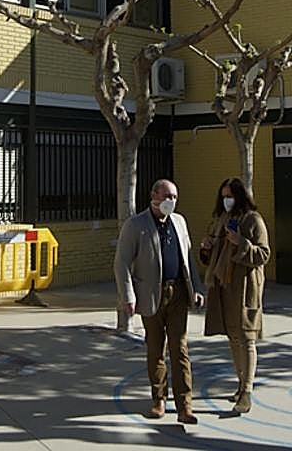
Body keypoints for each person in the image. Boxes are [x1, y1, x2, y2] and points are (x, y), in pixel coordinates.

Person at [114, 178, 205, 424]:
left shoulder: (179, 222)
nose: (171, 202)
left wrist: (196, 288)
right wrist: (128, 296)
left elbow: (188, 257)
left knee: (180, 348)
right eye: (167, 197)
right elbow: (121, 263)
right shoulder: (136, 225)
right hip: (151, 294)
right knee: (156, 349)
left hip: (178, 294)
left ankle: (185, 404)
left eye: (174, 197)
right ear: (154, 195)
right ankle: (159, 399)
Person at [199, 177, 270, 414]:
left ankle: (247, 390)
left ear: (240, 196)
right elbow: (212, 255)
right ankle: (240, 384)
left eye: (230, 195)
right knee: (233, 338)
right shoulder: (222, 220)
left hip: (245, 288)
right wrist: (206, 248)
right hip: (223, 287)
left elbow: (263, 254)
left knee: (247, 338)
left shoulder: (253, 220)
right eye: (223, 196)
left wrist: (242, 243)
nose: (226, 200)